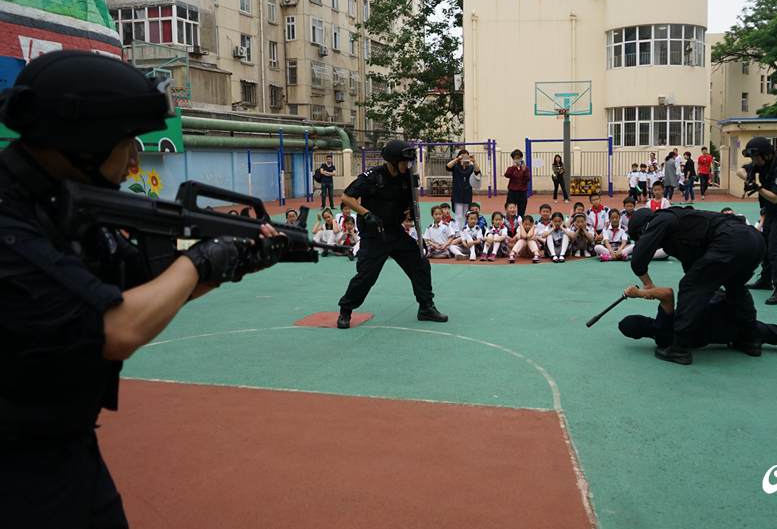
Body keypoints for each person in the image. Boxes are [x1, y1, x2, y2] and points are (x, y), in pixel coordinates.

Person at [0, 51, 284, 527]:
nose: (135, 160)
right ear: (82, 140)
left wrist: (227, 266)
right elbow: (117, 327)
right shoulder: (11, 220)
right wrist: (199, 260)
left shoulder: (61, 204)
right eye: (126, 142)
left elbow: (146, 286)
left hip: (62, 445)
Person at [625, 206, 765, 365]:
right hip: (754, 241)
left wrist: (648, 285)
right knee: (735, 287)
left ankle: (680, 347)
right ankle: (750, 339)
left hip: (730, 239)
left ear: (642, 230)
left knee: (689, 287)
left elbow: (638, 259)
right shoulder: (680, 228)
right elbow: (693, 268)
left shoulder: (659, 219)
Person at [336, 140, 448, 328]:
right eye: (405, 162)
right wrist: (366, 214)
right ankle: (345, 310)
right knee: (366, 277)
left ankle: (426, 307)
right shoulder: (373, 176)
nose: (408, 165)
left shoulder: (407, 177)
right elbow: (346, 197)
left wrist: (412, 216)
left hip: (395, 232)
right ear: (393, 161)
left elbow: (412, 203)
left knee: (420, 264)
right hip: (375, 235)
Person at [617, 286, 777, 361]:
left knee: (775, 335)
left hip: (727, 333)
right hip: (727, 318)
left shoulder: (663, 340)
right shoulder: (661, 326)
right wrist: (639, 292)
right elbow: (667, 294)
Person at [740, 137, 777, 305]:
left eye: (756, 157)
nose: (754, 161)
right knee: (765, 246)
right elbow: (740, 171)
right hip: (771, 213)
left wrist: (757, 187)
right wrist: (749, 178)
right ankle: (765, 280)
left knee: (775, 249)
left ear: (767, 155)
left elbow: (775, 198)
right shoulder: (761, 164)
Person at [446, 148, 481, 220]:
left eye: (466, 157)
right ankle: (458, 230)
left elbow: (477, 171)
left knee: (466, 214)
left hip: (467, 193)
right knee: (458, 215)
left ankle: (465, 229)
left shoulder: (470, 167)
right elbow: (448, 166)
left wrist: (474, 161)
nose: (465, 159)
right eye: (463, 157)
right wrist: (457, 159)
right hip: (457, 193)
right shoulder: (456, 167)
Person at [504, 149, 530, 217]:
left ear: (521, 158)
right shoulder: (511, 168)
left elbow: (528, 179)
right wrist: (513, 167)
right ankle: (510, 223)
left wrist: (524, 171)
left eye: (519, 158)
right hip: (512, 192)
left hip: (522, 192)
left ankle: (520, 224)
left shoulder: (525, 168)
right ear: (513, 159)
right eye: (516, 158)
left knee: (521, 211)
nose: (518, 160)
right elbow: (507, 175)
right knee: (510, 210)